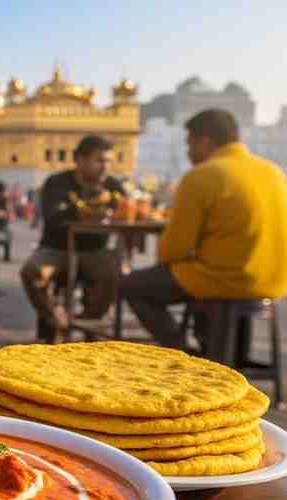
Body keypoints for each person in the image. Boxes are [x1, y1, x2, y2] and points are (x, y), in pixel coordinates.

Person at [121, 109, 287, 350]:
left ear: (205, 142)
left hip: (226, 281)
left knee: (132, 284)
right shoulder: (273, 172)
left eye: (190, 145)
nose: (188, 153)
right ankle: (222, 350)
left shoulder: (202, 176)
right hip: (274, 281)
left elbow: (174, 250)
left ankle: (185, 351)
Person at [20, 135, 125, 342]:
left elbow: (126, 212)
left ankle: (87, 320)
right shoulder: (56, 183)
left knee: (117, 274)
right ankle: (58, 320)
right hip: (56, 249)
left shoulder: (113, 186)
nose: (105, 167)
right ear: (79, 159)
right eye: (99, 160)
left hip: (96, 251)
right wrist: (85, 206)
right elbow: (53, 217)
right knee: (32, 272)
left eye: (108, 161)